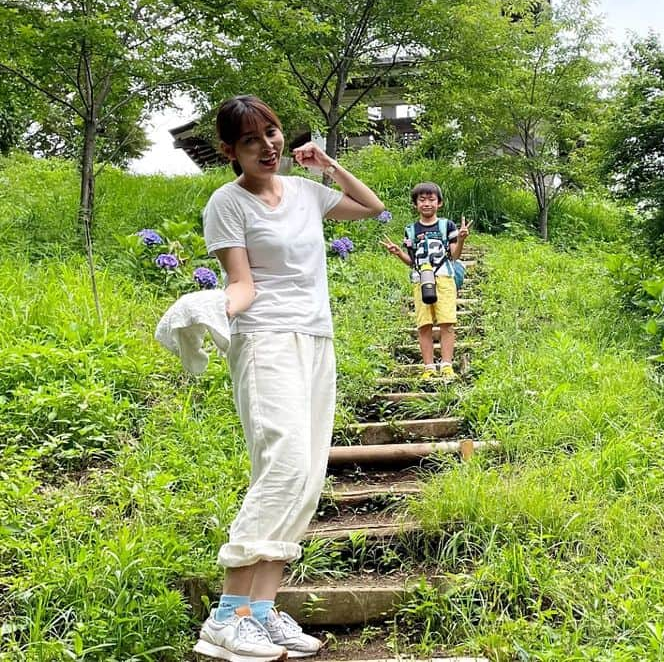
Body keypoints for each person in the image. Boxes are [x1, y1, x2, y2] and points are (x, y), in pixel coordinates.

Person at [194, 95, 385, 662]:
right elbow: (243, 283)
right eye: (252, 141)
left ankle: (261, 608)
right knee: (284, 465)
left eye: (272, 133)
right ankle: (228, 616)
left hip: (315, 340)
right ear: (231, 151)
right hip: (265, 341)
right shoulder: (227, 203)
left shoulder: (305, 192)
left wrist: (327, 165)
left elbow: (371, 208)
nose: (268, 146)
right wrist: (214, 309)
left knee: (305, 474)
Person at [381, 182, 470, 380]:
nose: (427, 203)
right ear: (415, 204)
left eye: (431, 199)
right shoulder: (410, 230)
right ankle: (428, 367)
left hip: (444, 278)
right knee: (424, 325)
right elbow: (413, 262)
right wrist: (398, 253)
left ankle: (446, 365)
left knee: (447, 323)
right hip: (421, 280)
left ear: (439, 203)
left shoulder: (447, 226)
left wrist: (462, 239)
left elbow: (454, 256)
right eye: (422, 200)